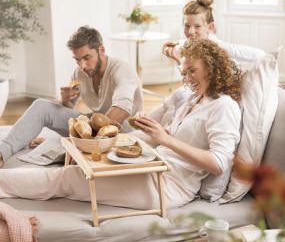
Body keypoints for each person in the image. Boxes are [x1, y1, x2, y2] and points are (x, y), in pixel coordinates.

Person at [0, 39, 242, 210]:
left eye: (193, 71)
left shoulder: (224, 106)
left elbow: (219, 164)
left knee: (66, 179)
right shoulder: (194, 98)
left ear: (211, 68)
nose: (187, 79)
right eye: (184, 72)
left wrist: (165, 138)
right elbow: (179, 137)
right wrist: (155, 129)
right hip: (154, 167)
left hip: (166, 187)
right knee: (76, 169)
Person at [0, 26, 143, 167]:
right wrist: (64, 100)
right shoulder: (79, 73)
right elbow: (66, 114)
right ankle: (2, 153)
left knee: (116, 123)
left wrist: (78, 140)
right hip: (92, 125)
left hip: (123, 129)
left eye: (87, 57)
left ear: (101, 50)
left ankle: (70, 146)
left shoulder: (122, 69)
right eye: (77, 60)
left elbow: (122, 109)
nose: (83, 66)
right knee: (41, 106)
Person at [162, 0, 265, 65]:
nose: (190, 31)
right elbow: (190, 81)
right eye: (187, 25)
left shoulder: (220, 47)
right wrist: (175, 55)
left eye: (197, 26)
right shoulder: (186, 45)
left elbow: (260, 55)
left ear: (210, 27)